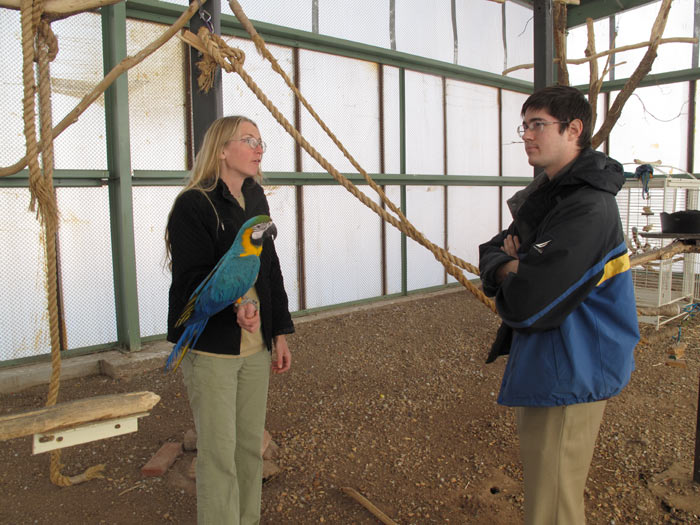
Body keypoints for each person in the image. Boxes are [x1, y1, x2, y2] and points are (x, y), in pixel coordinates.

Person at [478, 85, 639, 525]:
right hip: (551, 362)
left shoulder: (588, 207)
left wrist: (515, 268)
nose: (526, 136)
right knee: (545, 492)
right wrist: (511, 265)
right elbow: (491, 250)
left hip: (573, 366)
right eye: (524, 126)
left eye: (538, 125)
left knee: (552, 504)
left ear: (574, 130)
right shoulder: (554, 196)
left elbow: (528, 302)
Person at [165, 115, 294, 524]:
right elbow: (189, 279)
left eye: (261, 142)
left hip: (256, 349)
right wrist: (233, 306)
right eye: (248, 140)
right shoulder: (194, 204)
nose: (259, 149)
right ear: (222, 149)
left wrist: (280, 331)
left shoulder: (256, 198)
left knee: (247, 450)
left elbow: (270, 268)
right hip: (213, 348)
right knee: (219, 454)